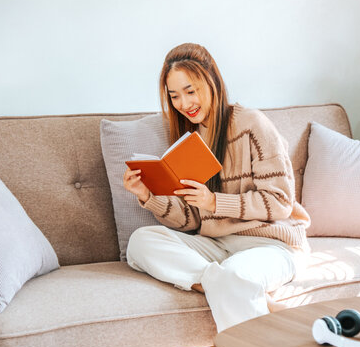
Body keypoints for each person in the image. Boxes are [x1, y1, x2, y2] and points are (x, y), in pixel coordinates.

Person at [123, 43, 310, 332]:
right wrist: (148, 196)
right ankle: (237, 291)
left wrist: (214, 202)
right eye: (174, 96)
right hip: (216, 246)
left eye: (190, 91)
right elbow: (191, 220)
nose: (184, 104)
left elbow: (280, 202)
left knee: (235, 274)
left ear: (211, 81)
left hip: (272, 245)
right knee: (140, 242)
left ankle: (236, 293)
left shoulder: (251, 124)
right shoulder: (190, 138)